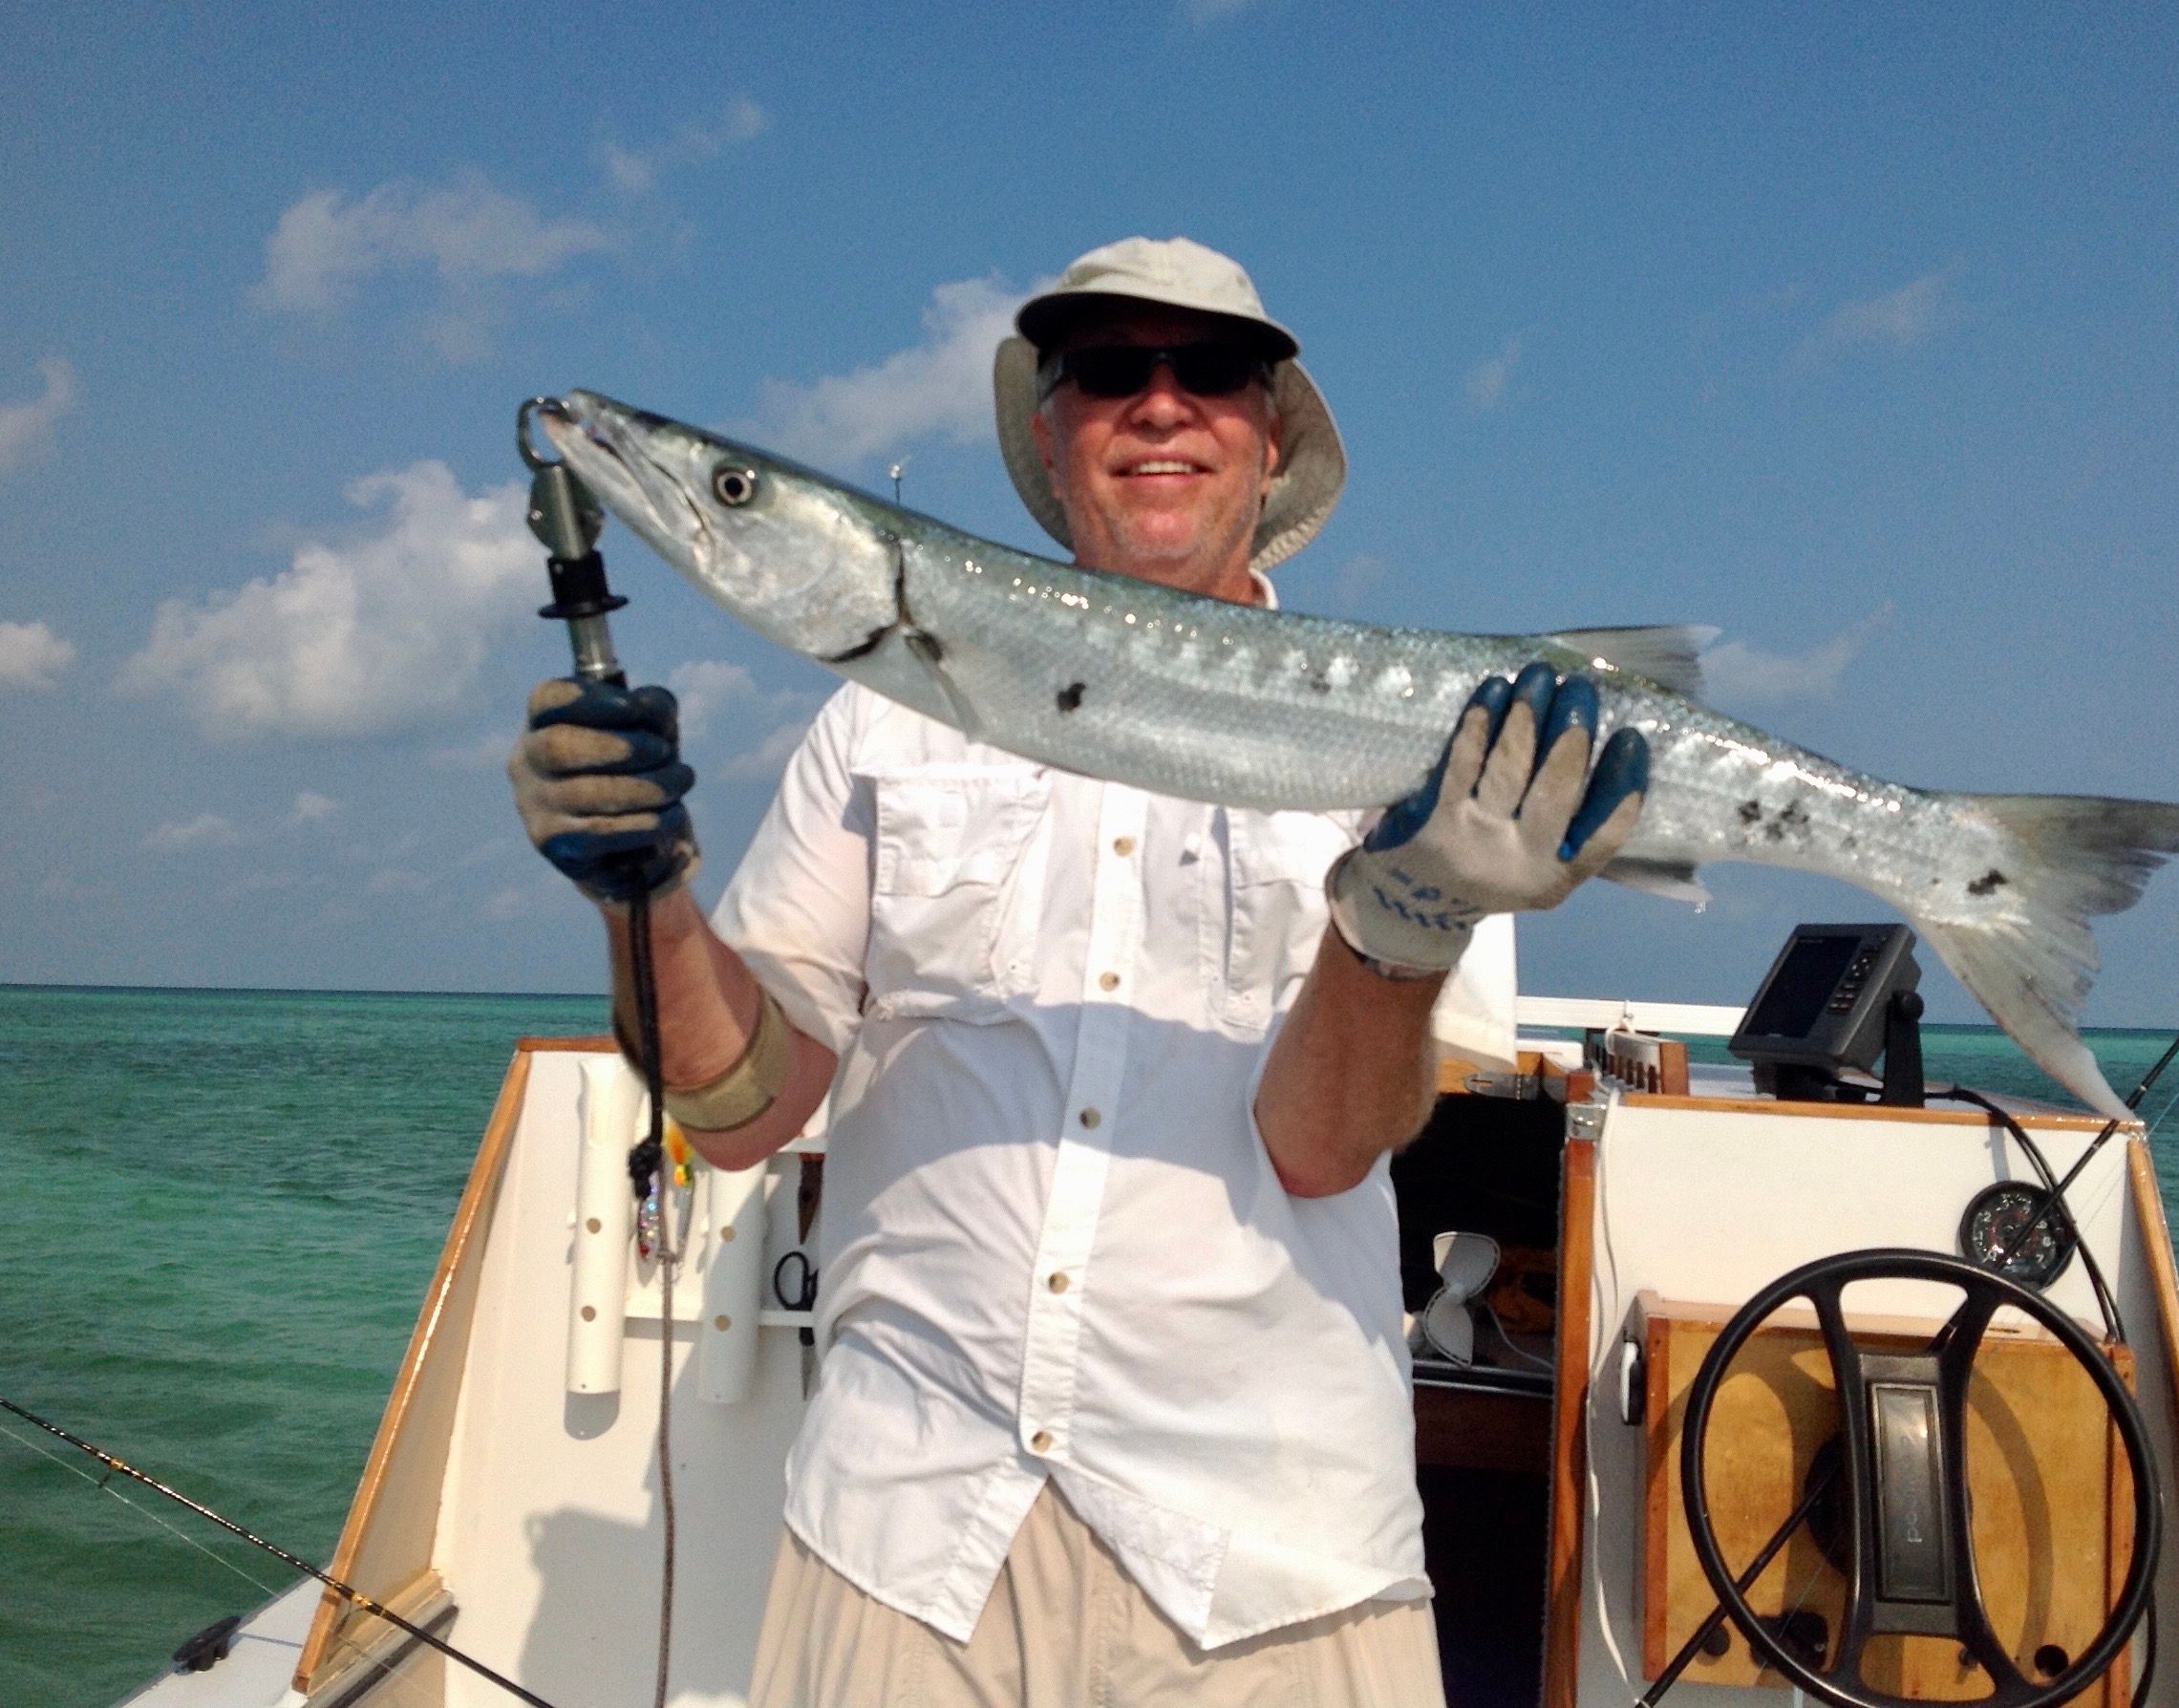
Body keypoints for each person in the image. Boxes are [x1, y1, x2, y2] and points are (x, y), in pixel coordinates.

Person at [509, 237, 1649, 1705]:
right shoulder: (876, 724)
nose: (1159, 405)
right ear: (1052, 432)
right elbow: (740, 1111)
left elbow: (1321, 1152)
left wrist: (1405, 918)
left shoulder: (1432, 759)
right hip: (903, 1546)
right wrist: (643, 895)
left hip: (1272, 1568)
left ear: (1270, 431)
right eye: (1109, 371)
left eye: (1211, 373)